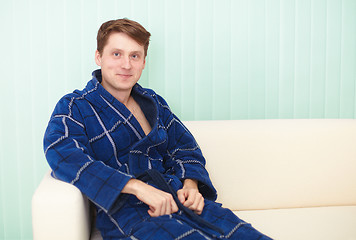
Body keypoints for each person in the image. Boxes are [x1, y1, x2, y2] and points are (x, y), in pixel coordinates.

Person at [44, 18, 272, 240]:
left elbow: (184, 147)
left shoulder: (154, 102)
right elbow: (61, 152)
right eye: (116, 54)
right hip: (131, 213)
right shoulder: (75, 106)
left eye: (135, 56)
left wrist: (191, 186)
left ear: (144, 61)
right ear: (98, 57)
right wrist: (137, 188)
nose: (126, 64)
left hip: (179, 199)